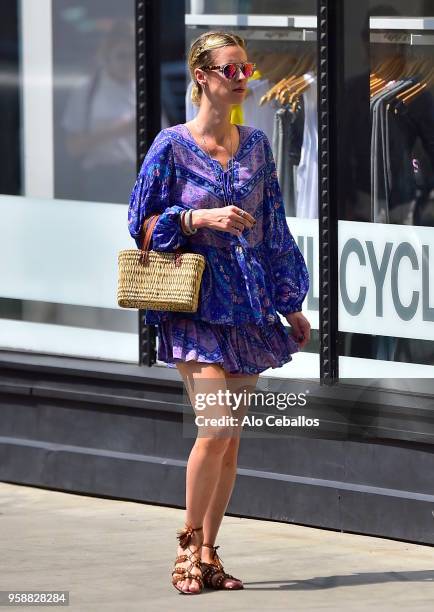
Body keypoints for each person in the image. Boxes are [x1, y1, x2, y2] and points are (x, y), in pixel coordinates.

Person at [127, 31, 311, 595]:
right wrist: (197, 220)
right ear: (202, 76)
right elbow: (141, 225)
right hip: (195, 308)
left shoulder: (256, 145)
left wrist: (291, 304)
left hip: (250, 309)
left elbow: (274, 228)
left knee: (230, 441)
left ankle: (210, 555)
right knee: (217, 425)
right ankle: (186, 548)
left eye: (246, 69)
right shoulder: (170, 147)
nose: (242, 79)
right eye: (230, 70)